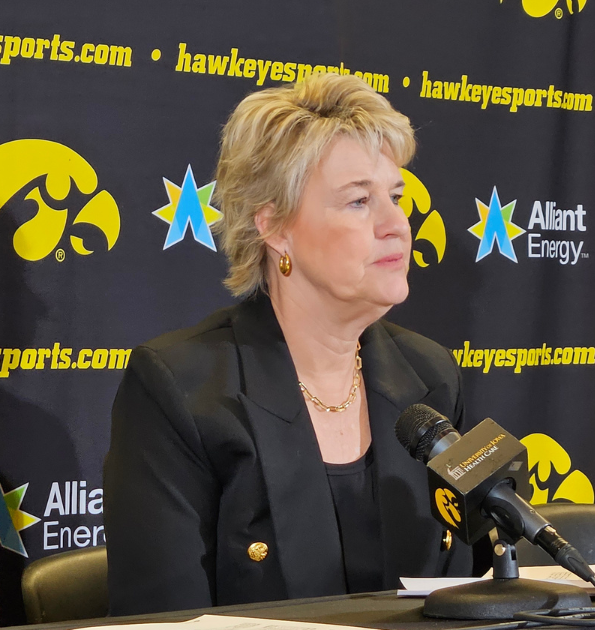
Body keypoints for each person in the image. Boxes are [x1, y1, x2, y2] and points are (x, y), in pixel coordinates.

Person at [103, 73, 474, 615]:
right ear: (275, 227)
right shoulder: (181, 391)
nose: (397, 223)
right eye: (358, 202)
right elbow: (163, 620)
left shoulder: (431, 374)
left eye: (395, 196)